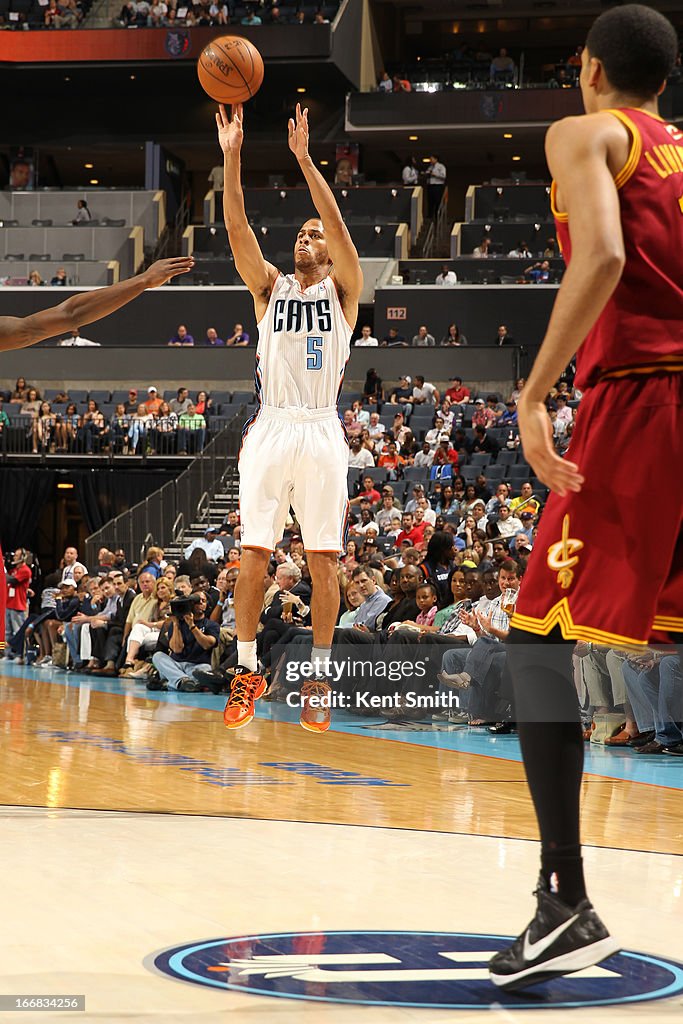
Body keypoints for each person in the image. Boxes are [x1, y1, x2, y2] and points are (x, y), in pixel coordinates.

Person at [489, 4, 682, 993]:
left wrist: (529, 396)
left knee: (534, 645)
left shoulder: (584, 131)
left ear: (588, 68)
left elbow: (601, 256)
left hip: (640, 403)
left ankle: (560, 899)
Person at [215, 101, 363, 733]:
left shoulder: (345, 289)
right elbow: (238, 229)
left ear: (328, 252)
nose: (307, 239)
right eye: (300, 235)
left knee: (325, 560)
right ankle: (247, 671)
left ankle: (318, 681)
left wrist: (305, 160)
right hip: (272, 425)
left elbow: (336, 222)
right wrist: (232, 155)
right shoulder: (269, 288)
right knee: (254, 555)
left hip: (322, 427)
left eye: (314, 236)